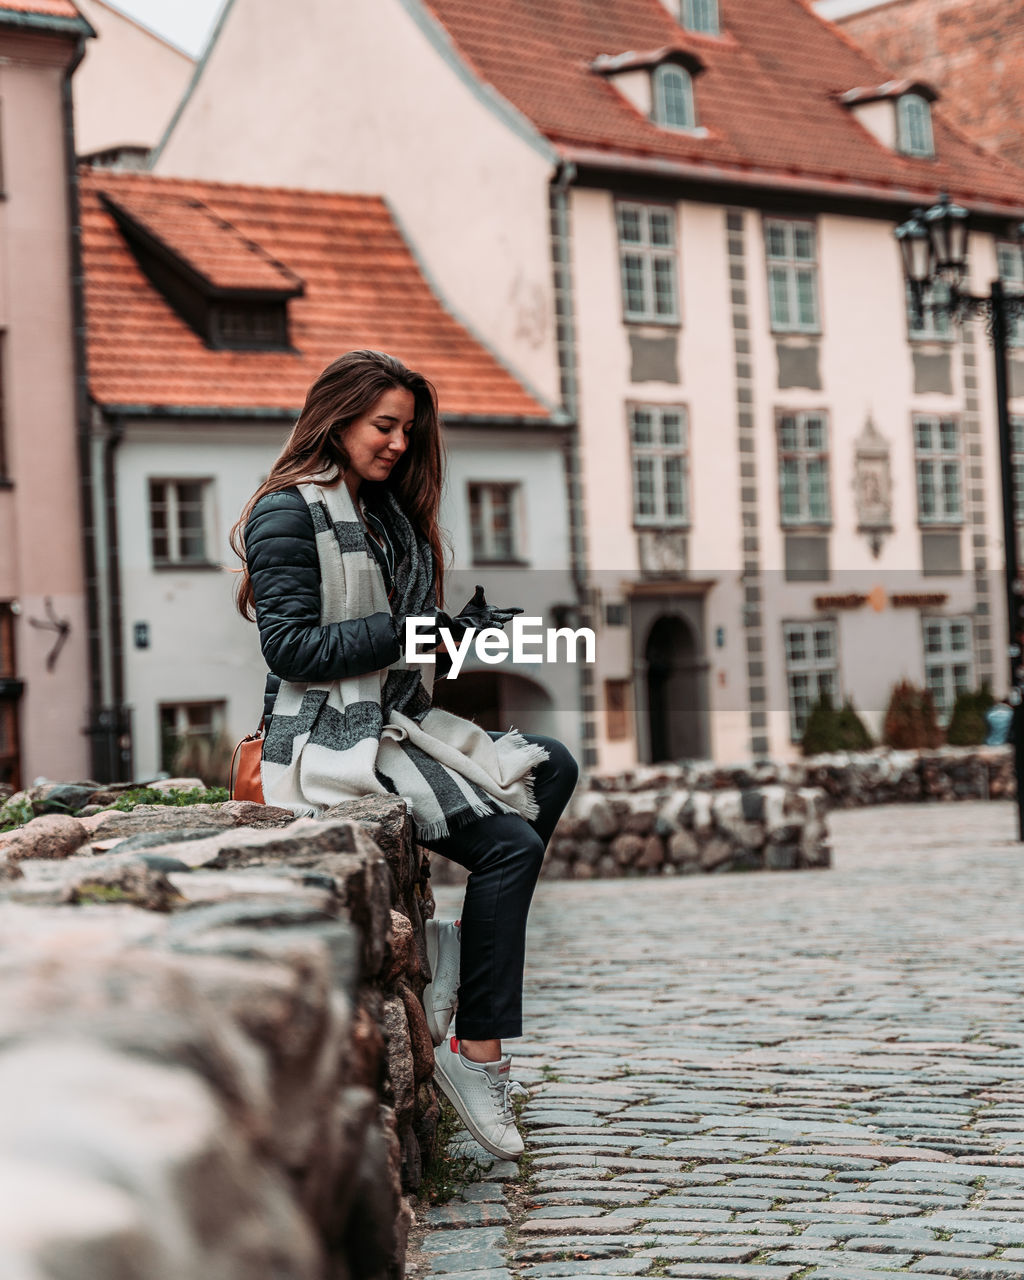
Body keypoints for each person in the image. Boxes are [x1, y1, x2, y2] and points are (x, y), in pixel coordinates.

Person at [230, 350, 578, 1160]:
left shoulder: (383, 512)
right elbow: (290, 648)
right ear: (338, 418)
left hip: (395, 716)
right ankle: (476, 1053)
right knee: (508, 846)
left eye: (406, 430)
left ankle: (456, 952)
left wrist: (454, 633)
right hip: (328, 733)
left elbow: (398, 643)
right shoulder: (290, 512)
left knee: (551, 763)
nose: (396, 443)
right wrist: (411, 632)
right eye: (383, 425)